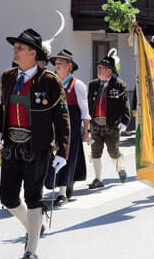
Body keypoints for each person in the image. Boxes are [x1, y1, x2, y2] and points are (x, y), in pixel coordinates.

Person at [0, 28, 70, 259]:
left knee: (33, 197)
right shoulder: (8, 76)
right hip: (11, 146)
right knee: (7, 197)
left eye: (20, 48)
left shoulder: (49, 80)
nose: (15, 51)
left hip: (37, 147)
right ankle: (33, 226)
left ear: (33, 53)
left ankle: (31, 251)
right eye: (15, 47)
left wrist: (63, 152)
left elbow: (62, 117)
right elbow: (3, 109)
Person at [45, 49, 90, 206]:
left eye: (60, 63)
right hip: (54, 124)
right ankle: (61, 183)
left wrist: (87, 131)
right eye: (55, 63)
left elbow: (84, 110)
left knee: (68, 157)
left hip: (72, 124)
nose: (56, 66)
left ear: (69, 66)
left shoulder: (77, 85)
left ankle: (62, 192)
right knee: (51, 155)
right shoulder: (52, 82)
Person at [87, 54, 130, 189]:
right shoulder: (93, 85)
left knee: (113, 151)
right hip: (95, 125)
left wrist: (124, 122)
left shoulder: (119, 85)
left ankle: (120, 169)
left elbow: (125, 105)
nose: (98, 69)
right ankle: (98, 179)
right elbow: (89, 104)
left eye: (101, 68)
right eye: (98, 67)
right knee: (95, 151)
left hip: (112, 125)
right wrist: (88, 124)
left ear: (109, 70)